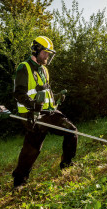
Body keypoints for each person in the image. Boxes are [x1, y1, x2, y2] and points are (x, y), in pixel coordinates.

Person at [12, 36, 78, 190]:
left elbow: (44, 91)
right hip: (31, 113)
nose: (47, 56)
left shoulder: (44, 70)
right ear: (36, 50)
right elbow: (19, 93)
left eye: (49, 53)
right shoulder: (24, 67)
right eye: (45, 53)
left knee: (71, 130)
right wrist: (33, 105)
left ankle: (67, 165)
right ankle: (19, 181)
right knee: (32, 147)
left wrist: (56, 98)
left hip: (49, 111)